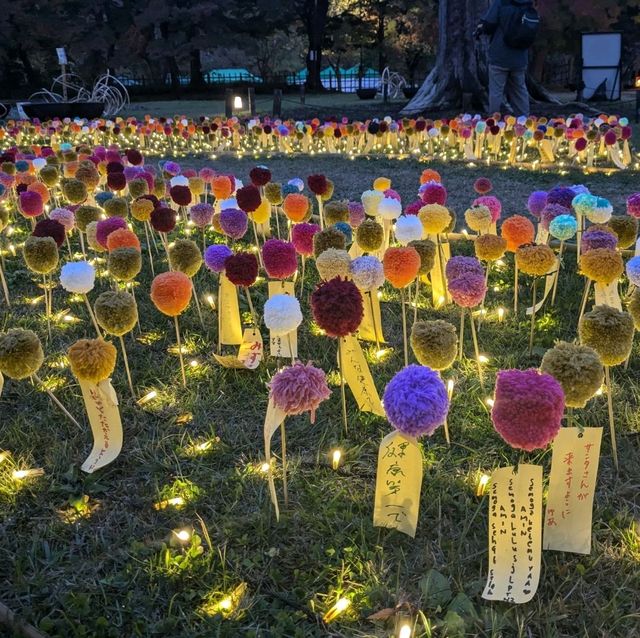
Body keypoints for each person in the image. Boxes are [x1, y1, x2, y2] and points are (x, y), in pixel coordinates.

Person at [476, 0, 540, 116]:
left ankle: (494, 122)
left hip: (499, 54)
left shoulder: (501, 2)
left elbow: (489, 24)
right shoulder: (528, 3)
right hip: (520, 57)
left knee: (496, 91)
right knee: (520, 90)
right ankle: (524, 120)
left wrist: (481, 28)